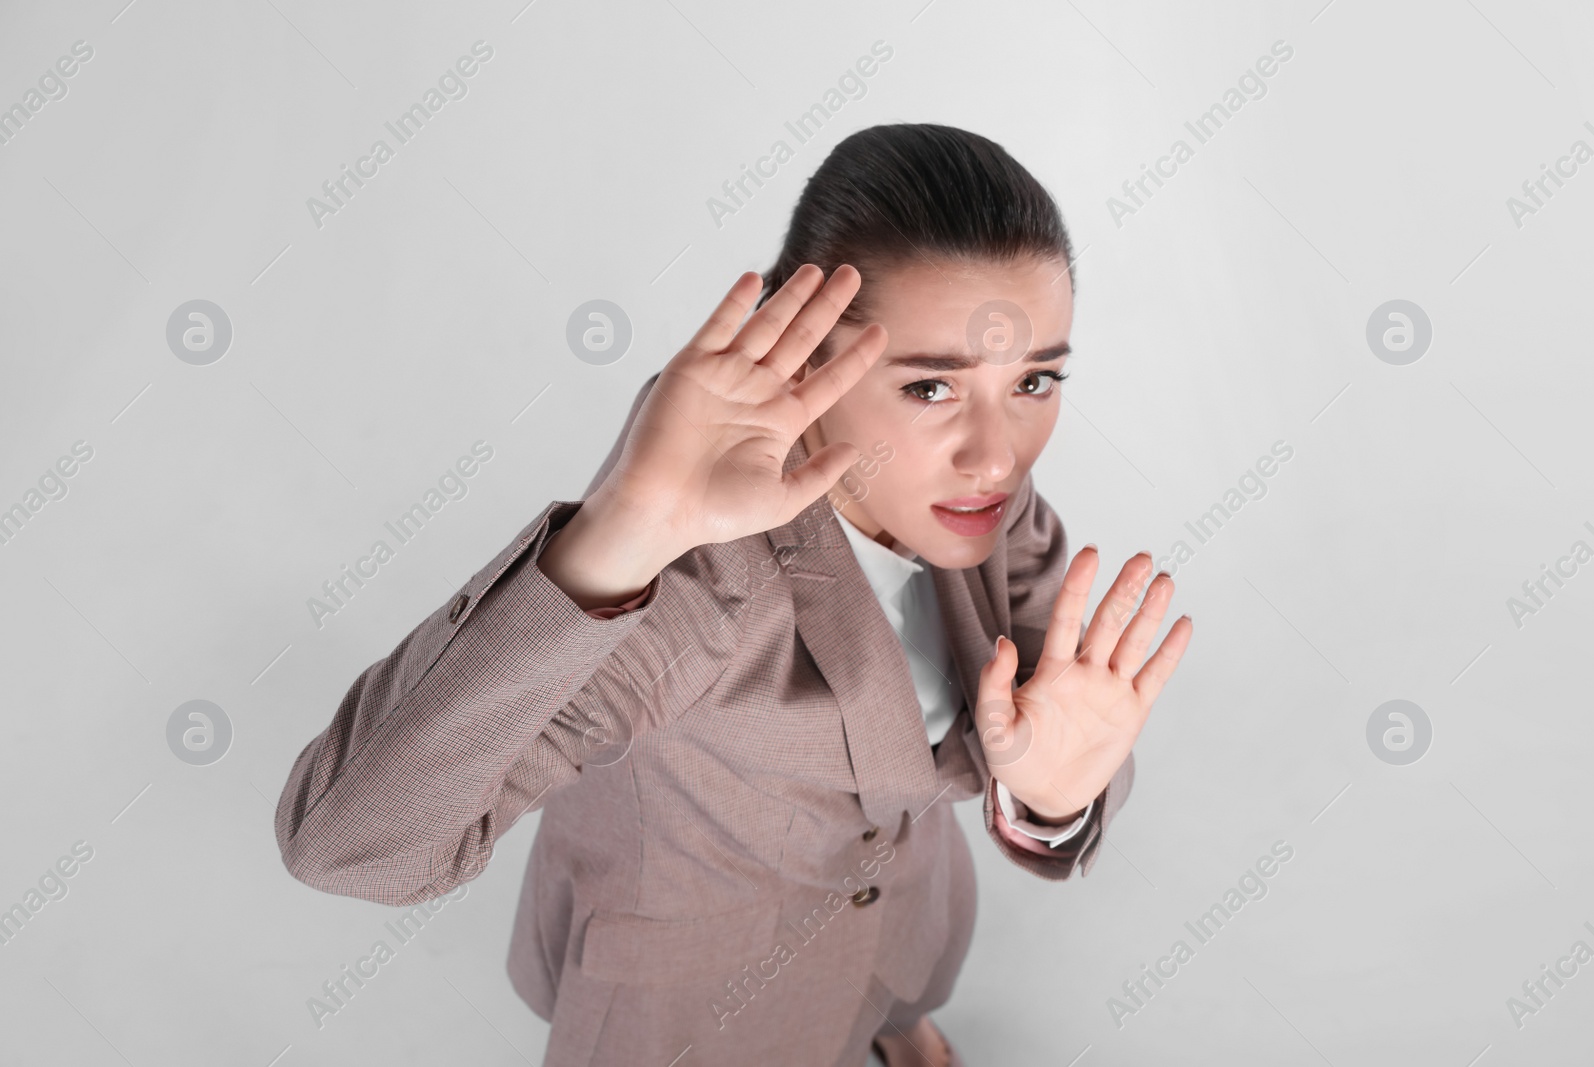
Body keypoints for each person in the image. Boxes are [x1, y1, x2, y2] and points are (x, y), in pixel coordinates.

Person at [275, 123, 1192, 1067]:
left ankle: (887, 1021)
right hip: (694, 1009)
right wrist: (616, 536)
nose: (999, 455)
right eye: (931, 390)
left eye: (1034, 379)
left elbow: (1059, 709)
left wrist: (1051, 798)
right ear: (800, 359)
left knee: (893, 1000)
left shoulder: (982, 499)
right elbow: (348, 844)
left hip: (905, 928)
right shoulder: (704, 586)